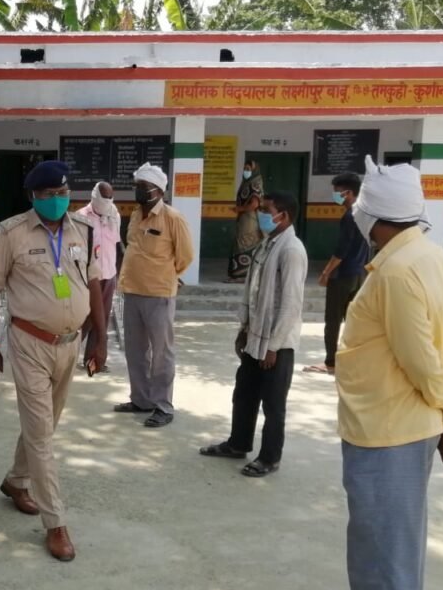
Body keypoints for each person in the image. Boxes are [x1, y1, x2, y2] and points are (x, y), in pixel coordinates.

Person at [328, 157, 443, 590]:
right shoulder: (437, 259)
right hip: (400, 429)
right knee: (384, 548)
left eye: (360, 210)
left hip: (388, 434)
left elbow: (425, 363)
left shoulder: (395, 273)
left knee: (386, 555)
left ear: (375, 217)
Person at [0, 159, 107, 563]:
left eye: (63, 193)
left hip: (70, 343)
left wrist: (100, 338)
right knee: (41, 435)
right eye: (49, 195)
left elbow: (95, 284)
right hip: (29, 343)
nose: (57, 200)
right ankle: (56, 523)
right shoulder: (11, 233)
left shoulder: (83, 229)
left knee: (44, 426)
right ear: (33, 196)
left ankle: (16, 481)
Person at [200, 192, 308, 477]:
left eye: (266, 210)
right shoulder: (265, 244)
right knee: (244, 394)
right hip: (254, 337)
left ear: (283, 216)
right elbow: (253, 291)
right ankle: (238, 444)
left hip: (276, 345)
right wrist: (243, 330)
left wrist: (273, 347)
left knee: (273, 405)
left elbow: (291, 304)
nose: (260, 214)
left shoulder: (291, 250)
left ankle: (269, 458)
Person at [114, 162, 194, 427]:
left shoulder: (172, 218)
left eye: (144, 186)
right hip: (132, 290)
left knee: (162, 352)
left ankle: (162, 406)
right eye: (137, 186)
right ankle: (141, 399)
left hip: (159, 294)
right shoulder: (136, 214)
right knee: (135, 351)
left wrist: (168, 275)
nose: (139, 190)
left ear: (158, 190)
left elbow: (185, 256)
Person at [304, 172, 370, 375]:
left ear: (348, 193)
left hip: (342, 275)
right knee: (353, 320)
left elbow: (342, 251)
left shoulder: (349, 217)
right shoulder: (366, 213)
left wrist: (326, 272)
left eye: (337, 192)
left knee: (332, 320)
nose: (335, 195)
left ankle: (331, 362)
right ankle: (353, 359)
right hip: (360, 274)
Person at [74, 181, 121, 372]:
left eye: (110, 198)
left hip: (109, 274)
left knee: (101, 320)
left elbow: (115, 245)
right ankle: (67, 354)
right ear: (95, 197)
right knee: (85, 318)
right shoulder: (80, 217)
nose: (108, 201)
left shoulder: (114, 215)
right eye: (104, 198)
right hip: (88, 277)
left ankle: (93, 361)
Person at [227, 159, 263, 282]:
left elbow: (254, 204)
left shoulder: (255, 184)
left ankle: (243, 275)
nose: (245, 171)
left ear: (254, 171)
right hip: (243, 218)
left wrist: (240, 209)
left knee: (245, 243)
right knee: (240, 243)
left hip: (250, 219)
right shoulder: (246, 183)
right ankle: (238, 274)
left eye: (248, 169)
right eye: (245, 169)